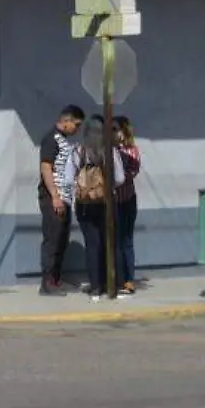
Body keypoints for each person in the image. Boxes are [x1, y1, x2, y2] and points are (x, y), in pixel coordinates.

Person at [72, 116, 127, 302]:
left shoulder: (78, 152)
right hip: (106, 203)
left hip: (85, 205)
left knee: (92, 245)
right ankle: (115, 285)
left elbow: (66, 179)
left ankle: (95, 288)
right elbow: (120, 179)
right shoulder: (110, 151)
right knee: (112, 244)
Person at [37, 105, 85, 296]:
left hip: (64, 198)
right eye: (77, 124)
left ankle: (56, 279)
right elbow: (46, 168)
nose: (77, 129)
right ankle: (47, 284)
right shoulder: (51, 139)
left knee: (61, 240)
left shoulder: (63, 140)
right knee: (52, 240)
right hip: (52, 198)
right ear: (66, 121)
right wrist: (55, 197)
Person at [114, 116, 141, 295]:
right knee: (114, 241)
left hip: (127, 200)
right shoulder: (109, 150)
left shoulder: (131, 151)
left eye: (116, 129)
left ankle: (129, 280)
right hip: (112, 201)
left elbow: (129, 174)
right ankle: (116, 278)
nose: (114, 133)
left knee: (126, 241)